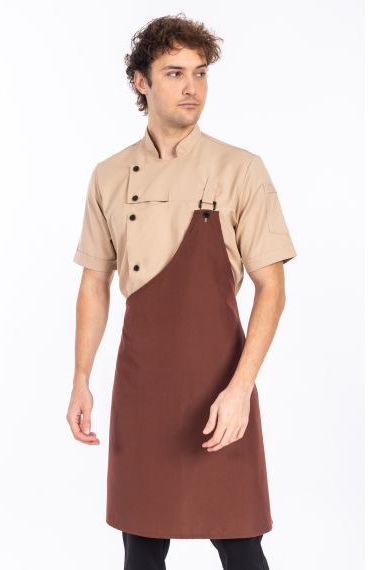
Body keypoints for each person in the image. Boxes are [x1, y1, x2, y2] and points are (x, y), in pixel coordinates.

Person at [66, 13, 297, 570]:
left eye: (200, 73)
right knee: (141, 544)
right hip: (142, 386)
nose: (192, 87)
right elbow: (95, 281)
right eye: (174, 73)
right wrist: (81, 379)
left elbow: (272, 288)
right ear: (141, 82)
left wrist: (240, 389)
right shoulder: (109, 176)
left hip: (220, 385)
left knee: (240, 541)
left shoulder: (240, 169)